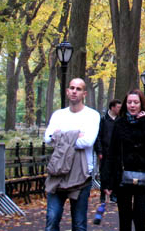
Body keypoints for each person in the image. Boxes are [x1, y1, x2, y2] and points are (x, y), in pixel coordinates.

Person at [44, 78, 100, 231]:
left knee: (79, 222)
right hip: (58, 173)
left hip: (81, 174)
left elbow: (88, 141)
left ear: (84, 93)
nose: (74, 91)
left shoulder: (92, 116)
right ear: (67, 91)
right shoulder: (58, 115)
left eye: (78, 89)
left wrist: (61, 136)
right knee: (52, 218)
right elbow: (47, 138)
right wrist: (76, 135)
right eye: (72, 88)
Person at [105, 89, 145, 231]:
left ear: (141, 104)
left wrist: (144, 124)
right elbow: (112, 152)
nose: (132, 105)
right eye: (129, 102)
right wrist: (107, 181)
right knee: (124, 217)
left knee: (139, 215)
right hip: (122, 176)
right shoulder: (120, 123)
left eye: (136, 102)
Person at [94, 99, 121, 205]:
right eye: (118, 107)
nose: (119, 109)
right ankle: (102, 195)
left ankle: (114, 195)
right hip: (105, 151)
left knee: (116, 173)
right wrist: (99, 151)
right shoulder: (104, 120)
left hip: (117, 152)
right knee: (104, 173)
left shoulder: (120, 120)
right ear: (112, 107)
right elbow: (99, 136)